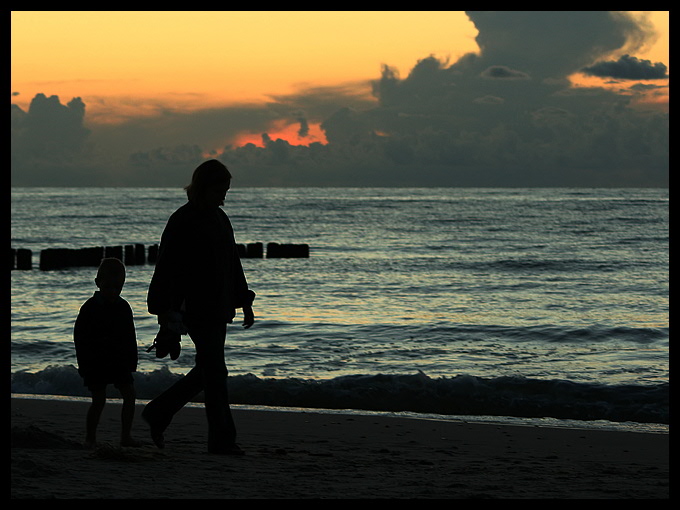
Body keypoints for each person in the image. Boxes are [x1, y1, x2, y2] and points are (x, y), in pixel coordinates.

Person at [142, 159, 255, 455]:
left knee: (208, 370)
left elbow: (233, 264)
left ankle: (159, 412)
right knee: (215, 372)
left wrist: (244, 302)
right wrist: (163, 309)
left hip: (219, 307)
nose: (224, 196)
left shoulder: (220, 219)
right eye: (219, 190)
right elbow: (166, 266)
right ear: (203, 188)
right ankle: (222, 441)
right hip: (195, 308)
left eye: (226, 190)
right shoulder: (183, 219)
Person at [73, 257, 140, 448]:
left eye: (118, 287)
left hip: (118, 360)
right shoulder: (89, 308)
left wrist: (132, 361)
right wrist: (83, 365)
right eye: (108, 286)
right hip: (96, 361)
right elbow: (80, 338)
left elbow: (130, 336)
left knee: (129, 394)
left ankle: (125, 436)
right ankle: (90, 438)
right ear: (98, 283)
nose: (113, 291)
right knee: (99, 399)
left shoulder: (123, 307)